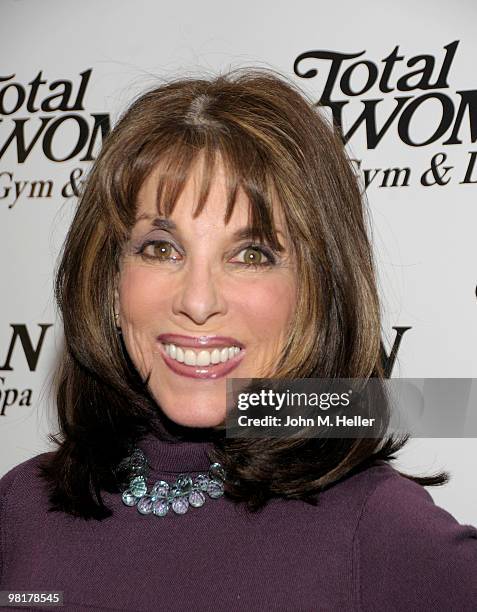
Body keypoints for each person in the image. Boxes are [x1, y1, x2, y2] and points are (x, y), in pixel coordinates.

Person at [0, 68, 475, 612]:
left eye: (251, 255)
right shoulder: (21, 507)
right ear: (109, 279)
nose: (198, 301)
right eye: (161, 249)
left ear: (317, 290)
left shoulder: (376, 530)